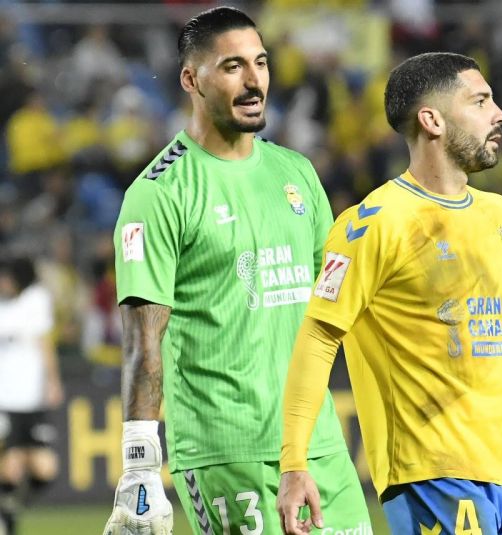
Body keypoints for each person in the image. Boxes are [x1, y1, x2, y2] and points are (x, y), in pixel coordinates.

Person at [275, 52, 502, 535]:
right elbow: (318, 338)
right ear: (431, 120)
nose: (500, 114)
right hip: (430, 473)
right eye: (480, 101)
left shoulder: (501, 215)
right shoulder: (373, 224)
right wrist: (294, 462)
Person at [103, 7, 370, 535]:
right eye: (232, 67)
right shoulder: (158, 195)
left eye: (261, 63)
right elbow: (143, 343)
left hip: (316, 445)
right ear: (190, 79)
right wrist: (139, 466)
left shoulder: (296, 173)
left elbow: (337, 304)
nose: (254, 82)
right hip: (226, 450)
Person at [0, 255, 63, 535]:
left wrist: (53, 381)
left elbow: (45, 343)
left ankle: (9, 509)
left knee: (46, 468)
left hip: (33, 399)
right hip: (5, 399)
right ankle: (7, 520)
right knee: (10, 467)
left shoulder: (37, 299)